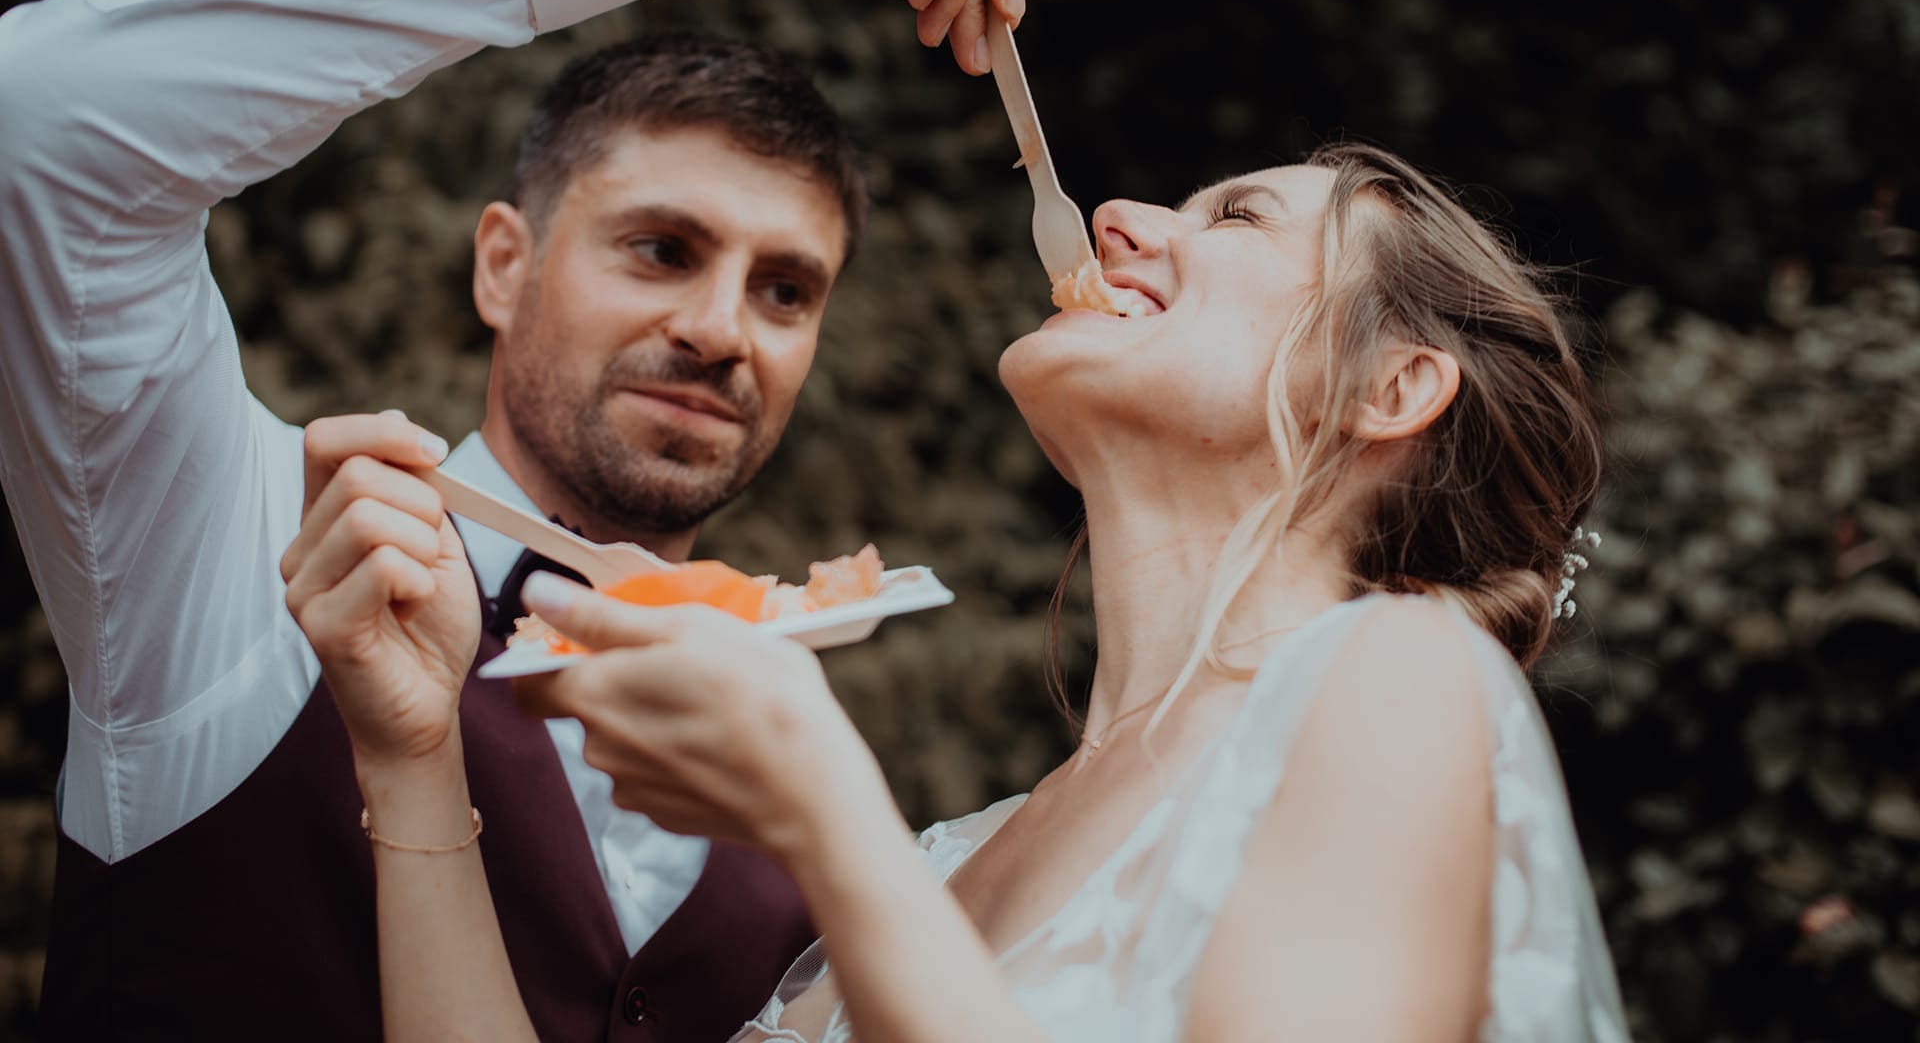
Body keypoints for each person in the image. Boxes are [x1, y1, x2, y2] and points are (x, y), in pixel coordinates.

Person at [0, 0, 1026, 1041]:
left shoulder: (800, 779)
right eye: (659, 247)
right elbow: (37, 117)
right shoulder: (234, 548)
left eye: (784, 288)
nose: (720, 327)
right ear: (502, 262)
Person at [290, 143, 1635, 1040]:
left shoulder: (1396, 684)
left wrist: (826, 815)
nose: (1119, 221)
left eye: (1235, 216)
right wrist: (409, 758)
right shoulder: (958, 857)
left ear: (1390, 390)